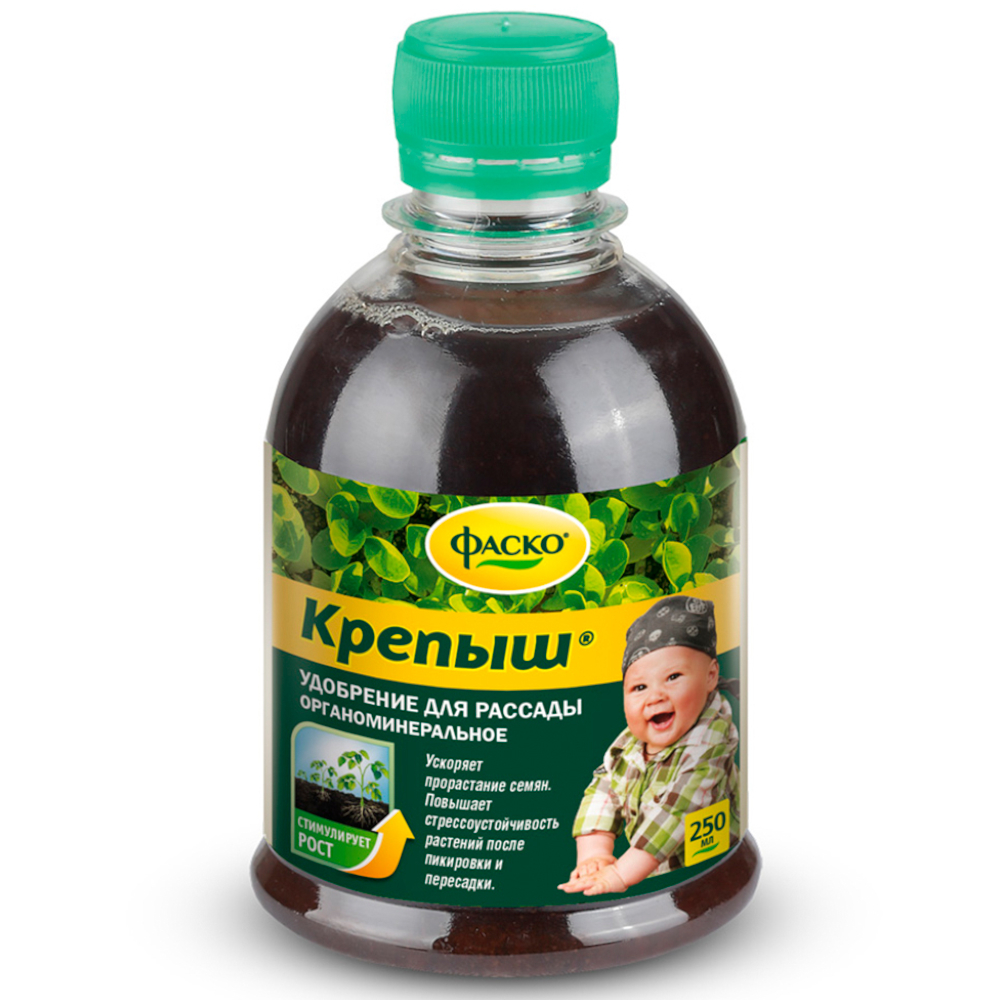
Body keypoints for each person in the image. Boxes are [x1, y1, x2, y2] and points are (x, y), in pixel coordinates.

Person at [559, 595, 740, 896]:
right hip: (650, 865)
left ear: (711, 676)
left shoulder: (710, 742)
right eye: (639, 687)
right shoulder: (632, 742)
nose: (655, 697)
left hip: (696, 868)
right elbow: (604, 788)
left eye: (673, 677)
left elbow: (677, 812)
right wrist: (594, 852)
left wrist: (620, 874)